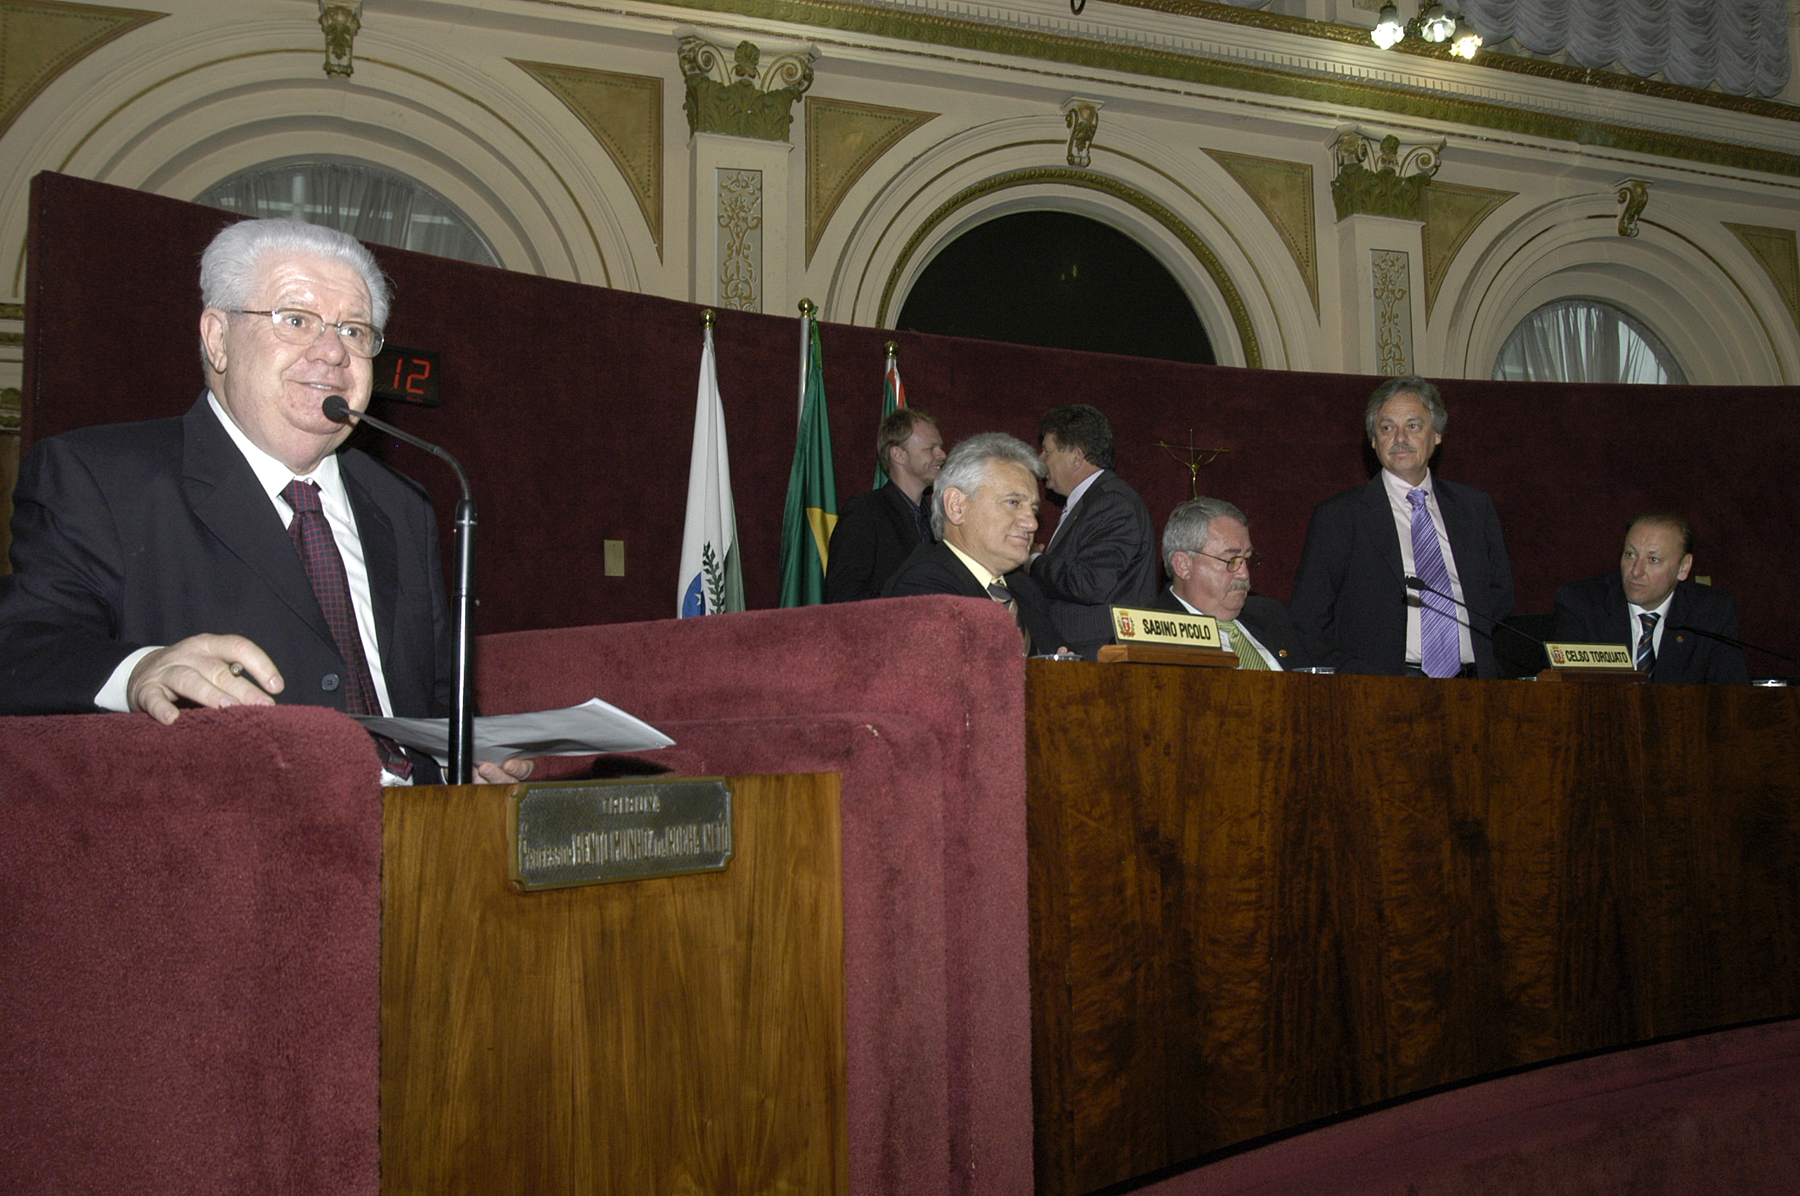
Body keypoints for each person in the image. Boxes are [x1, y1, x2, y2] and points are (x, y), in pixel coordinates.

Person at [0, 216, 530, 783]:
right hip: (232, 844)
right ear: (218, 338)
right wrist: (139, 670)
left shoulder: (403, 504)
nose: (331, 353)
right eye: (296, 320)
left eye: (354, 331)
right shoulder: (100, 478)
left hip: (424, 843)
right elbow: (20, 652)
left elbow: (439, 696)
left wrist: (468, 761)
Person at [1290, 375, 1513, 678]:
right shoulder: (1340, 516)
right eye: (1386, 427)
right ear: (1373, 440)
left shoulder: (1474, 508)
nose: (1399, 438)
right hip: (1385, 686)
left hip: (1476, 682)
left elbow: (1498, 597)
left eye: (1413, 425)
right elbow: (1310, 617)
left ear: (1436, 434)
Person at [882, 432, 1063, 655]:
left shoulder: (1024, 589)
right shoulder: (920, 588)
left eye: (1033, 510)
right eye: (1013, 502)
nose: (1032, 524)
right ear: (956, 506)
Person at [1552, 512, 1750, 685]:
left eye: (1653, 560)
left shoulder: (1712, 612)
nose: (1636, 571)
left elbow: (1731, 696)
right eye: (1630, 554)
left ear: (1684, 567)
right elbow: (1565, 694)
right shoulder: (1580, 604)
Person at [1029, 403, 1158, 658]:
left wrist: (1032, 561)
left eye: (1047, 450)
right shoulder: (1094, 501)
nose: (1040, 459)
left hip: (1099, 659)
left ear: (1076, 456)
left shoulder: (1112, 502)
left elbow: (1090, 583)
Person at [1153, 497, 1314, 670]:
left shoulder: (1272, 616)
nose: (1244, 573)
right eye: (1231, 560)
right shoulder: (1152, 635)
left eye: (1247, 559)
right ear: (1183, 565)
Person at [825, 408, 944, 602]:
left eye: (940, 447)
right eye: (930, 448)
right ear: (898, 454)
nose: (942, 455)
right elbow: (843, 595)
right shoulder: (865, 512)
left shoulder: (938, 519)